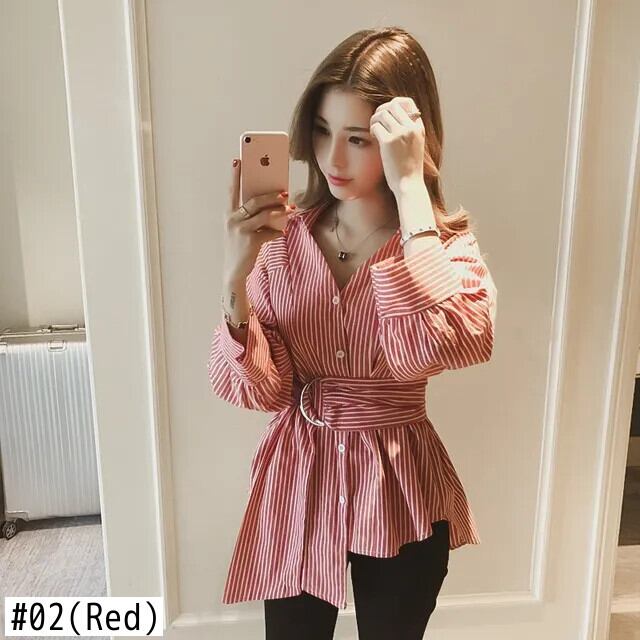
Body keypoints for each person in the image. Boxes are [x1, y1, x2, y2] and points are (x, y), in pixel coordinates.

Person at [207, 26, 498, 640]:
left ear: (407, 140)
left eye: (359, 139)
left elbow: (438, 346)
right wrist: (235, 279)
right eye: (321, 131)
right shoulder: (281, 242)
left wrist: (412, 193)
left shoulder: (445, 246)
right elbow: (262, 391)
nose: (332, 159)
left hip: (398, 483)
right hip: (297, 476)